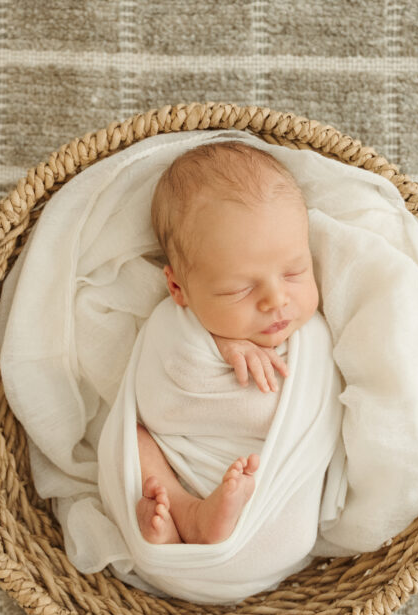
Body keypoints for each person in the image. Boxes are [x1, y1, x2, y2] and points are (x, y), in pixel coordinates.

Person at [135, 141, 323, 545]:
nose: (276, 300)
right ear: (177, 287)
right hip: (184, 459)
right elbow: (155, 392)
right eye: (238, 289)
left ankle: (193, 520)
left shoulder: (316, 338)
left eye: (294, 272)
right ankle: (183, 510)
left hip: (273, 499)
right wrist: (220, 345)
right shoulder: (178, 323)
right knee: (128, 441)